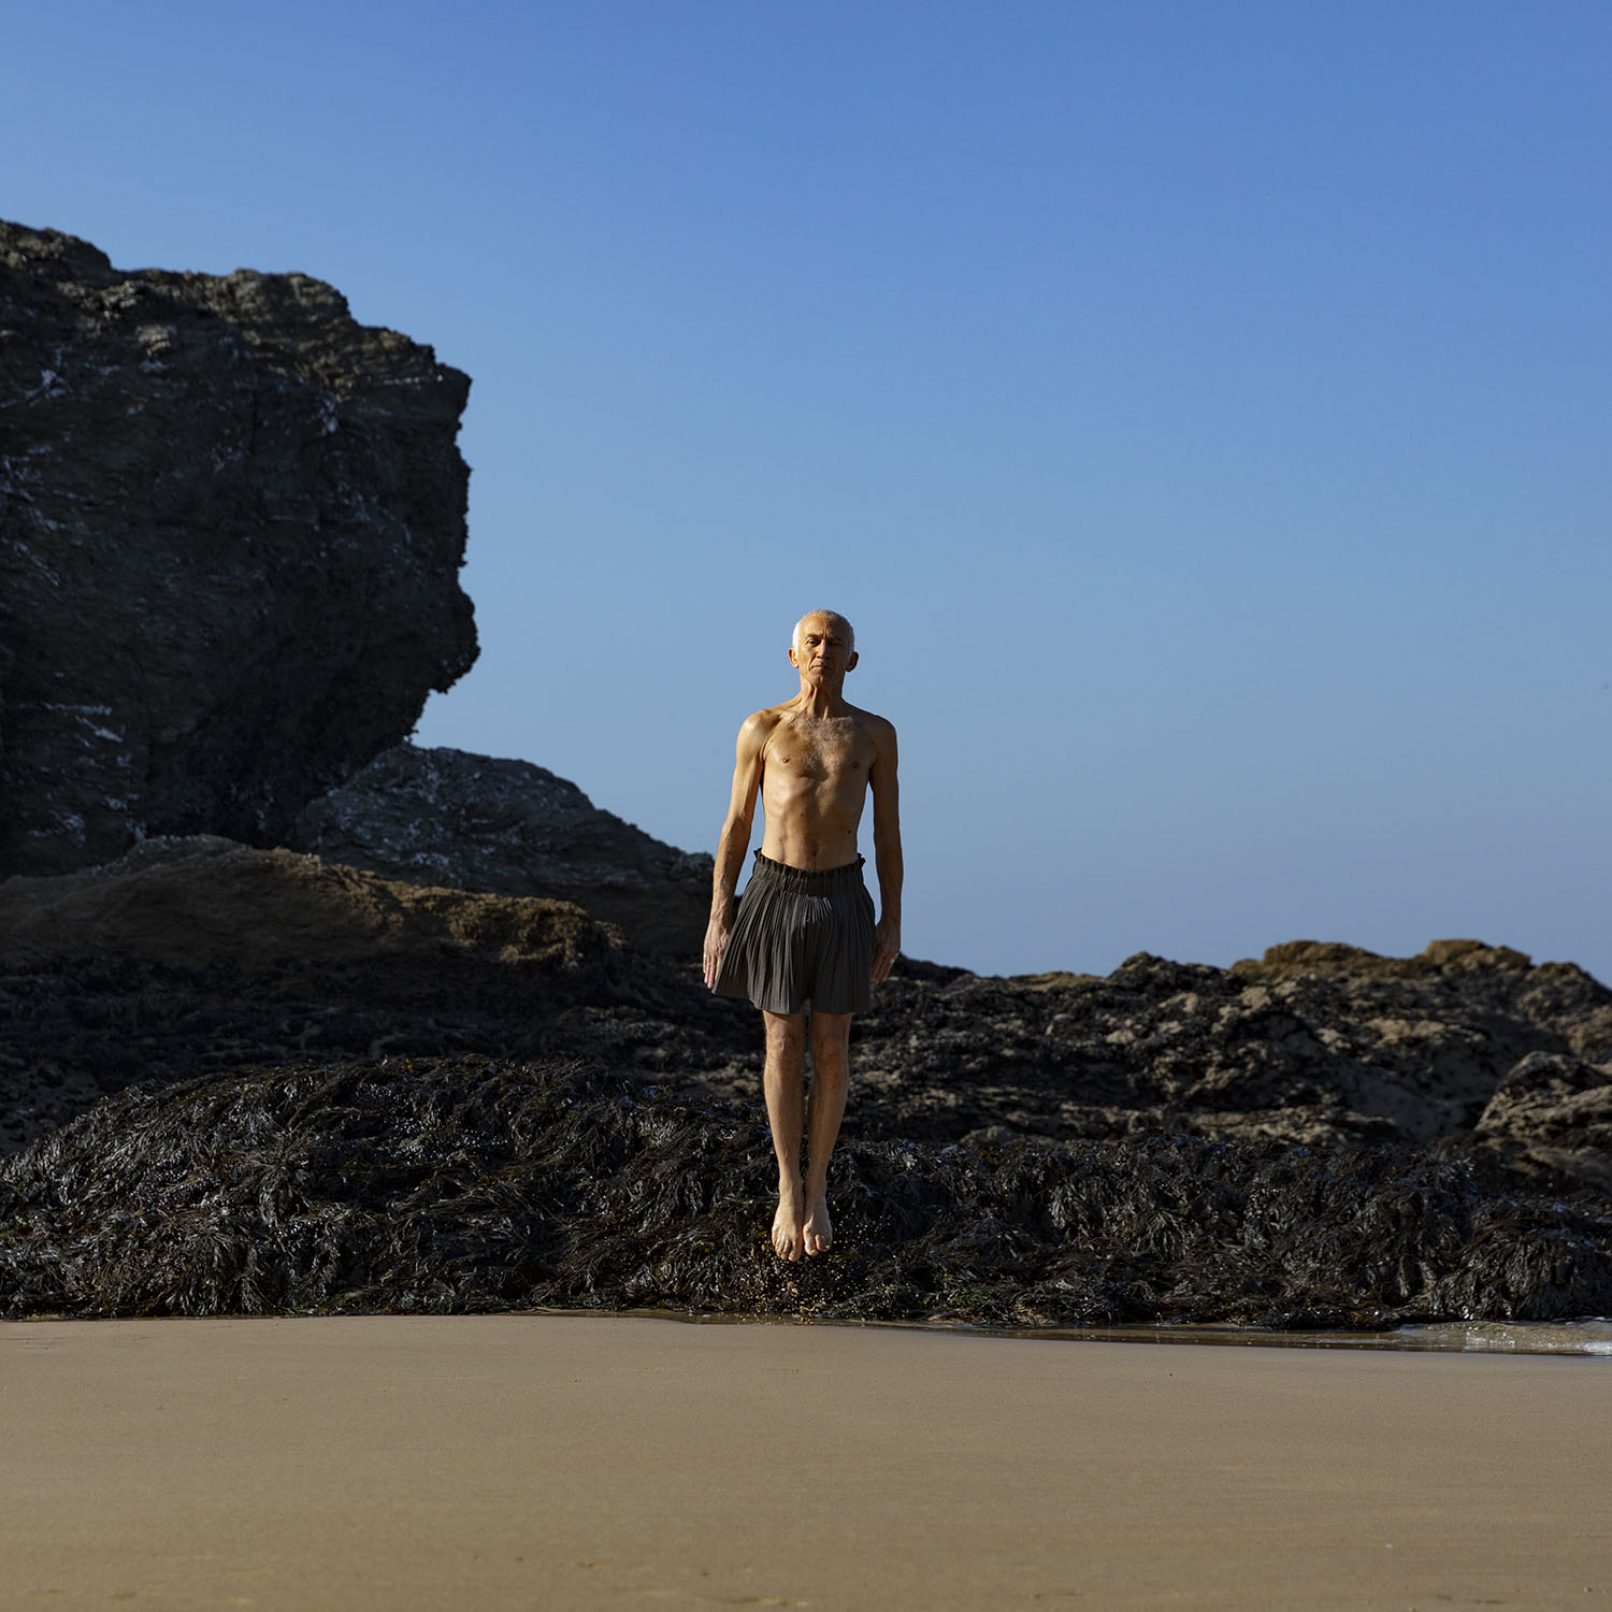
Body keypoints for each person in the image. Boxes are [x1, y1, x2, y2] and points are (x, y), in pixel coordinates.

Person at [703, 608, 902, 1262]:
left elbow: (887, 833)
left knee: (834, 1045)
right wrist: (718, 916)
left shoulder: (873, 734)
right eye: (812, 641)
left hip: (844, 893)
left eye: (835, 643)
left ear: (852, 660)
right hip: (775, 890)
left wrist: (891, 918)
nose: (823, 650)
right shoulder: (762, 728)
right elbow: (735, 824)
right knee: (783, 1041)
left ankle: (819, 1190)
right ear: (793, 654)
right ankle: (788, 1187)